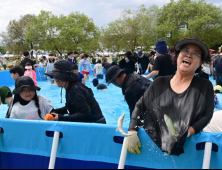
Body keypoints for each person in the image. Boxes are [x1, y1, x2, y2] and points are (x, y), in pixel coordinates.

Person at [125, 38, 214, 156]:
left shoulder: (205, 86)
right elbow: (140, 106)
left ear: (200, 63)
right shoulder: (159, 83)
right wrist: (132, 131)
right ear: (177, 56)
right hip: (155, 148)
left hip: (189, 149)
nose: (189, 55)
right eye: (185, 51)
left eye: (195, 53)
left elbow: (207, 115)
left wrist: (187, 132)